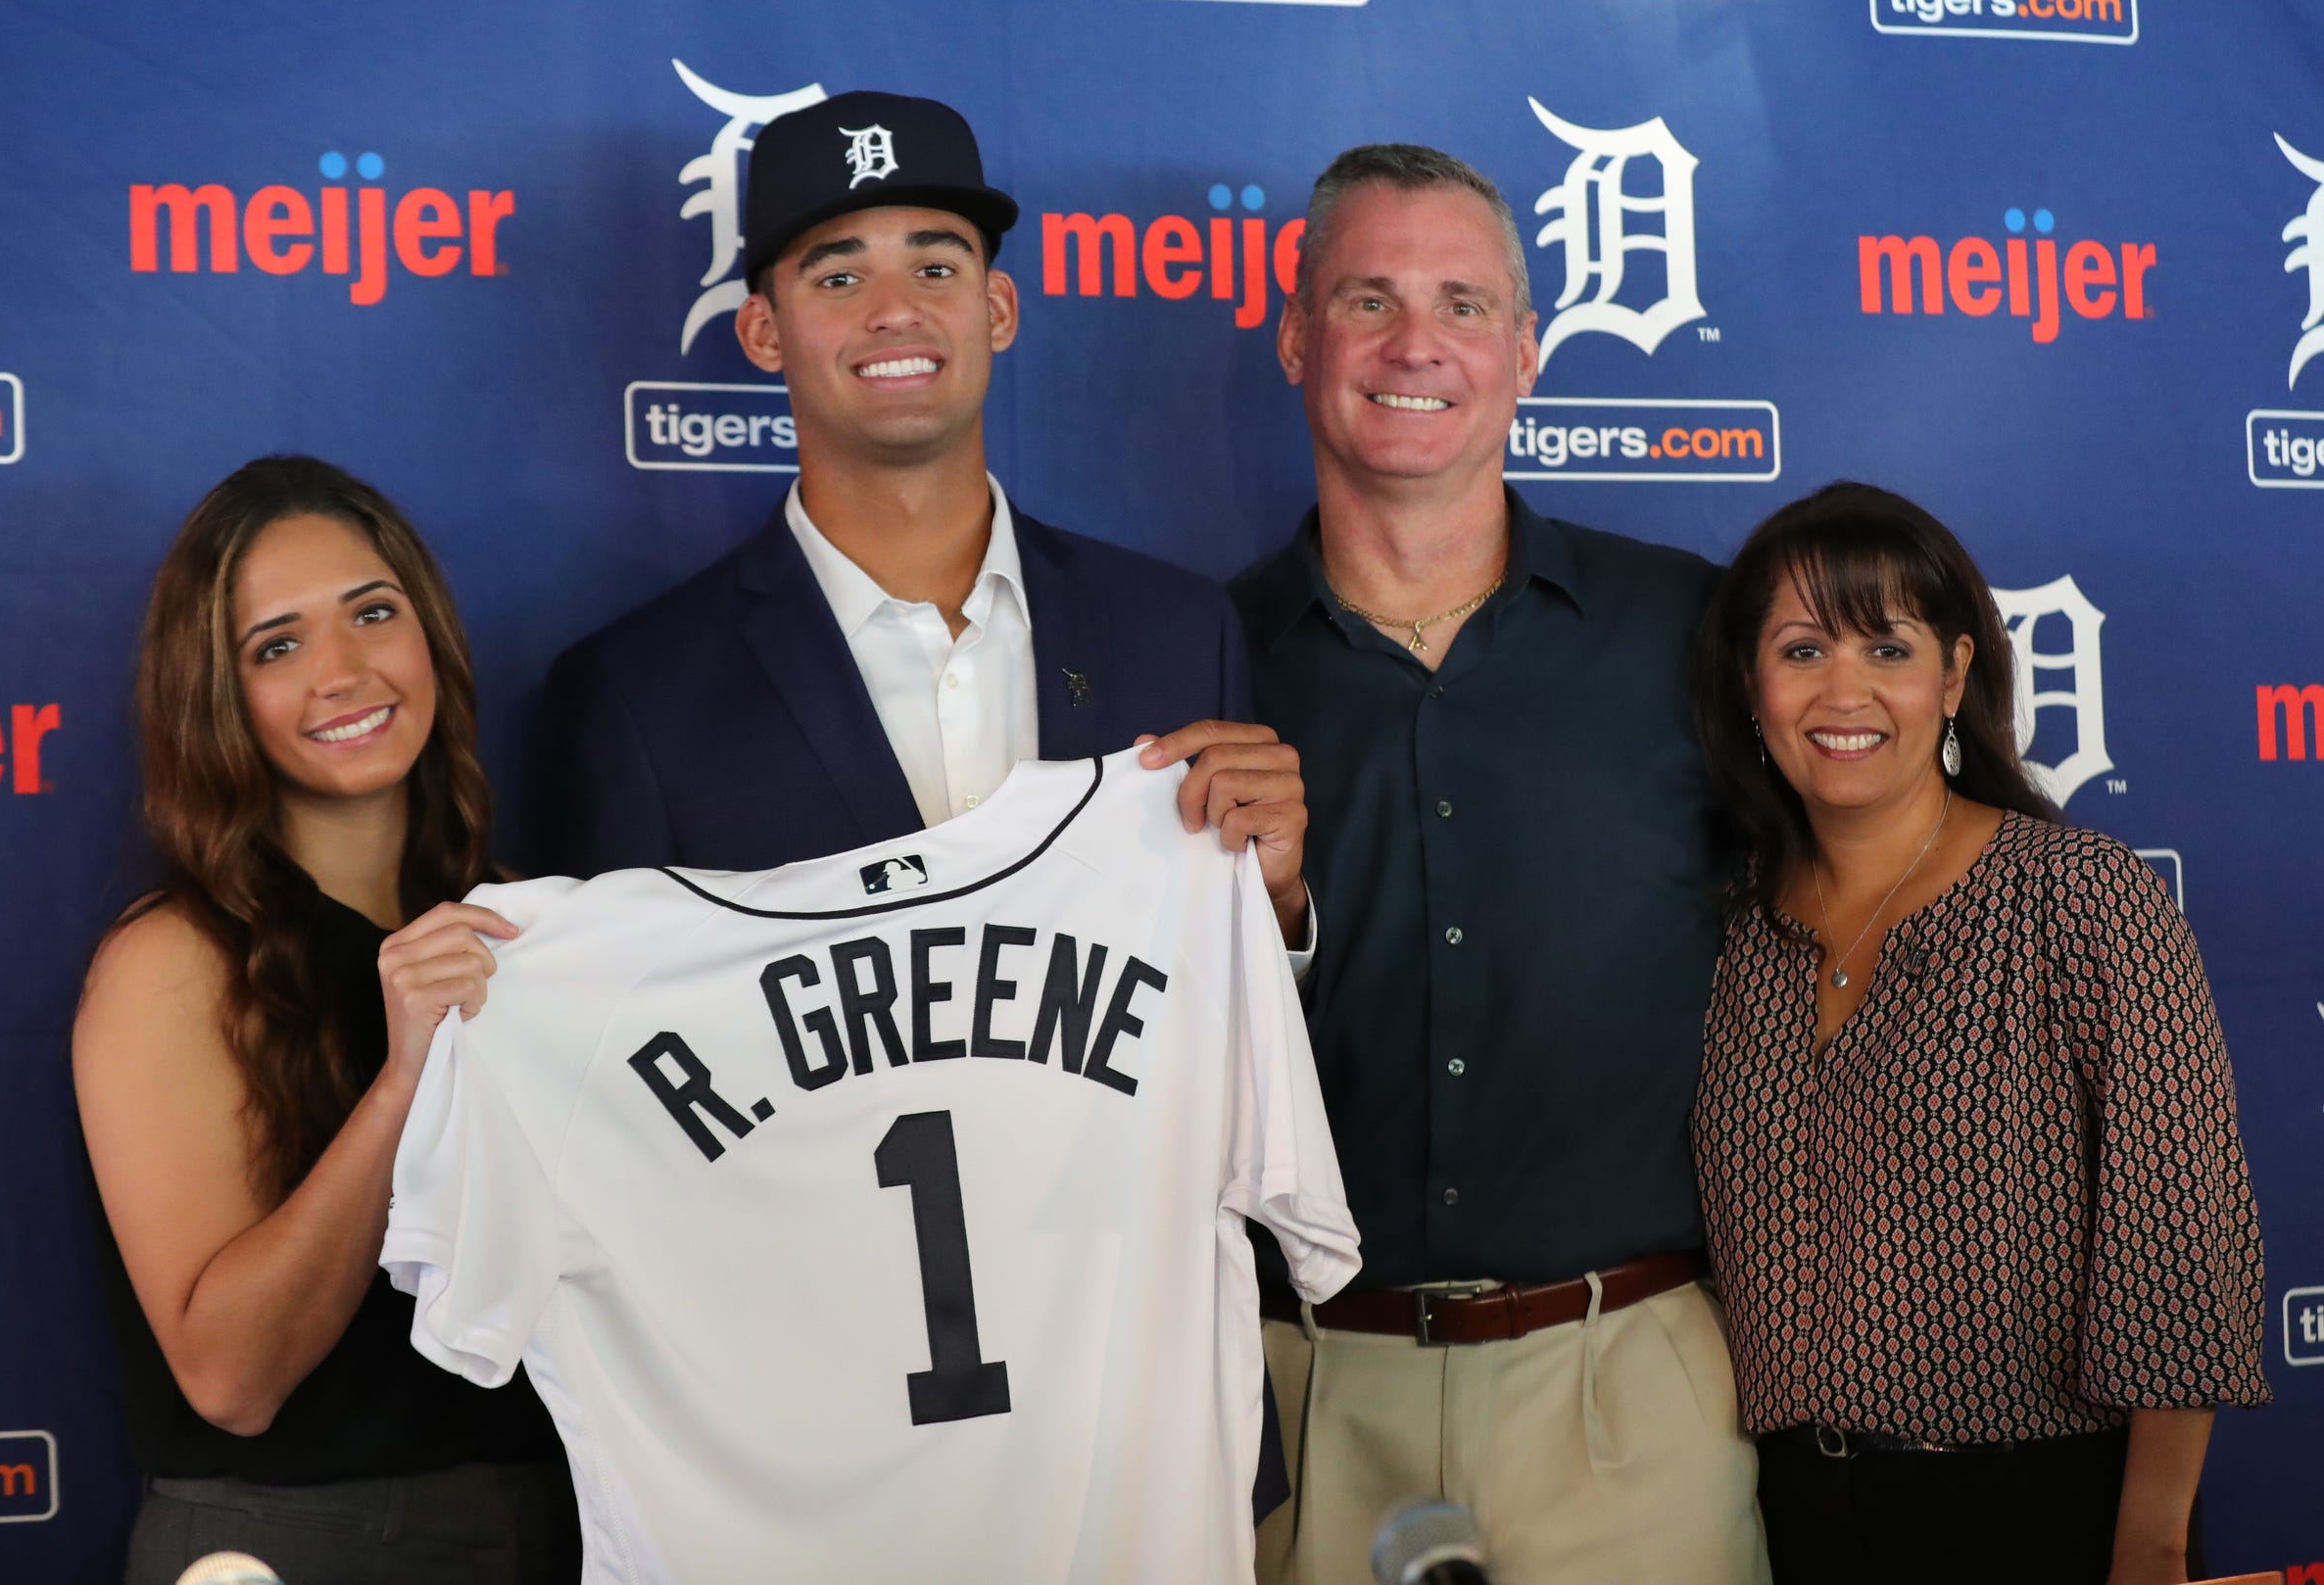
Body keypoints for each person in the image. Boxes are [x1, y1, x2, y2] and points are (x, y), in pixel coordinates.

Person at [528, 89, 1310, 1519]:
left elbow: (1232, 1009)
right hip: (827, 1457)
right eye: (838, 272)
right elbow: (626, 1131)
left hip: (1131, 1429)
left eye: (936, 263)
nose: (897, 306)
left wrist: (1277, 905)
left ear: (1000, 308)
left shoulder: (1173, 628)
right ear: (764, 329)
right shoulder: (635, 693)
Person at [1231, 144, 1767, 1583]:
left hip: (1632, 1389)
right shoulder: (1190, 661)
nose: (1418, 343)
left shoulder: (1694, 631)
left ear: (1525, 352)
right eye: (1367, 299)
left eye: (1464, 303)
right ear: (1296, 337)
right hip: (1300, 1399)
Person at [1687, 481, 2270, 1585]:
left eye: (1888, 649)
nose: (1844, 691)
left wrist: (2149, 1539)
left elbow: (2182, 1243)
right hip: (1780, 1517)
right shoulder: (1731, 927)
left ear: (1954, 675)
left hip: (2041, 1507)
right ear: (1750, 686)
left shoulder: (2078, 895)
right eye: (1803, 650)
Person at [73, 456, 577, 1584]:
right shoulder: (174, 962)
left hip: (553, 1518)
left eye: (373, 613)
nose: (343, 672)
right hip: (292, 1542)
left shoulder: (517, 922)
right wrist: (403, 1083)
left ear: (429, 634)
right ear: (217, 694)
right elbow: (230, 1380)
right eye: (278, 646)